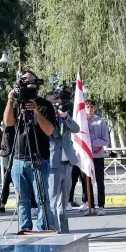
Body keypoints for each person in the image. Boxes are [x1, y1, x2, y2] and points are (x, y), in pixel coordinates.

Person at [2, 70, 56, 233]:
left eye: (31, 81)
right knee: (22, 199)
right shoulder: (17, 103)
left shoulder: (45, 105)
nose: (28, 84)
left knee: (42, 197)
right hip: (18, 158)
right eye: (24, 81)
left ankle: (44, 226)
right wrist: (11, 100)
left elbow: (49, 130)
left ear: (37, 84)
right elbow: (8, 123)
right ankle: (25, 228)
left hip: (39, 158)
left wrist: (36, 112)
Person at [46, 89, 81, 234]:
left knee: (64, 202)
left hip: (68, 164)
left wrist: (65, 116)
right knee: (53, 201)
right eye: (54, 104)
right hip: (53, 165)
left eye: (58, 103)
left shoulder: (64, 118)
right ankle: (54, 231)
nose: (57, 106)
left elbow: (76, 128)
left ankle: (65, 232)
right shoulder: (46, 119)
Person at [85, 99, 110, 211]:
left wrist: (91, 143)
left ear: (94, 108)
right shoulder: (82, 122)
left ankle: (101, 205)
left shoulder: (100, 122)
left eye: (91, 107)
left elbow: (105, 140)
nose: (89, 109)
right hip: (86, 156)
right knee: (87, 182)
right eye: (87, 107)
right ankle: (90, 205)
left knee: (100, 182)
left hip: (98, 156)